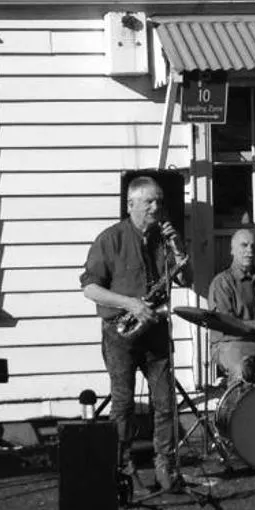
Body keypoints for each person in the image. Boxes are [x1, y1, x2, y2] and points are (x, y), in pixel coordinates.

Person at [80, 176, 189, 491]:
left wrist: (178, 248)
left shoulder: (164, 239)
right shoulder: (110, 239)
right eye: (149, 202)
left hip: (154, 331)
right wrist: (129, 302)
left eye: (159, 201)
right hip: (121, 332)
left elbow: (187, 277)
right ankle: (124, 473)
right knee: (124, 404)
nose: (157, 207)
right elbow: (90, 288)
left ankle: (167, 470)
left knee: (166, 402)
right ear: (131, 205)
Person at [206, 227, 255, 383]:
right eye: (244, 245)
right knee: (242, 368)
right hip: (229, 344)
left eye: (253, 246)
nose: (249, 251)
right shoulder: (222, 283)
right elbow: (226, 324)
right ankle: (235, 406)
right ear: (232, 250)